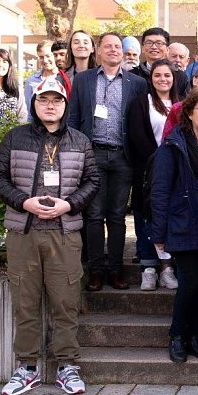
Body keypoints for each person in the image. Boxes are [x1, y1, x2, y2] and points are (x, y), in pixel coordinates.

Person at [0, 77, 99, 395]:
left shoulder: (79, 140)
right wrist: (23, 202)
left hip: (64, 233)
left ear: (65, 105)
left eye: (56, 100)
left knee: (65, 301)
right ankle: (27, 367)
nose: (50, 106)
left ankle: (67, 366)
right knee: (25, 301)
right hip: (23, 231)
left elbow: (92, 182)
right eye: (43, 100)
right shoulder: (15, 138)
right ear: (35, 104)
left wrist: (69, 204)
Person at [67, 32, 147, 291]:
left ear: (123, 53)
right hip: (93, 154)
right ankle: (96, 270)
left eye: (117, 46)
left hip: (123, 156)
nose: (113, 50)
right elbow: (73, 119)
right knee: (93, 215)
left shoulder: (137, 83)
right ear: (97, 51)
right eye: (108, 46)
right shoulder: (83, 80)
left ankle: (115, 269)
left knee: (117, 216)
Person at [152, 87, 198, 363]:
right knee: (190, 283)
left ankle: (195, 336)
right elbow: (159, 192)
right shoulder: (173, 145)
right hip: (184, 224)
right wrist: (158, 234)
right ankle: (177, 336)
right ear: (190, 112)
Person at [126, 59, 181, 290]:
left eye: (167, 75)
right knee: (146, 215)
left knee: (170, 217)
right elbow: (137, 135)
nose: (162, 79)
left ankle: (167, 268)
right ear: (151, 78)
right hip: (148, 169)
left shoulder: (182, 104)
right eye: (157, 75)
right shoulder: (142, 102)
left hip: (177, 170)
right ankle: (148, 267)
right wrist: (160, 160)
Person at [131, 27, 189, 96]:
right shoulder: (132, 75)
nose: (154, 47)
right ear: (143, 48)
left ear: (167, 49)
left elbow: (186, 104)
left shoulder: (180, 76)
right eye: (149, 43)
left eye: (159, 43)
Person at [25, 41, 72, 115]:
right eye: (41, 57)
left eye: (48, 56)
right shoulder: (31, 81)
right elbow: (29, 110)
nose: (45, 60)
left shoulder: (67, 79)